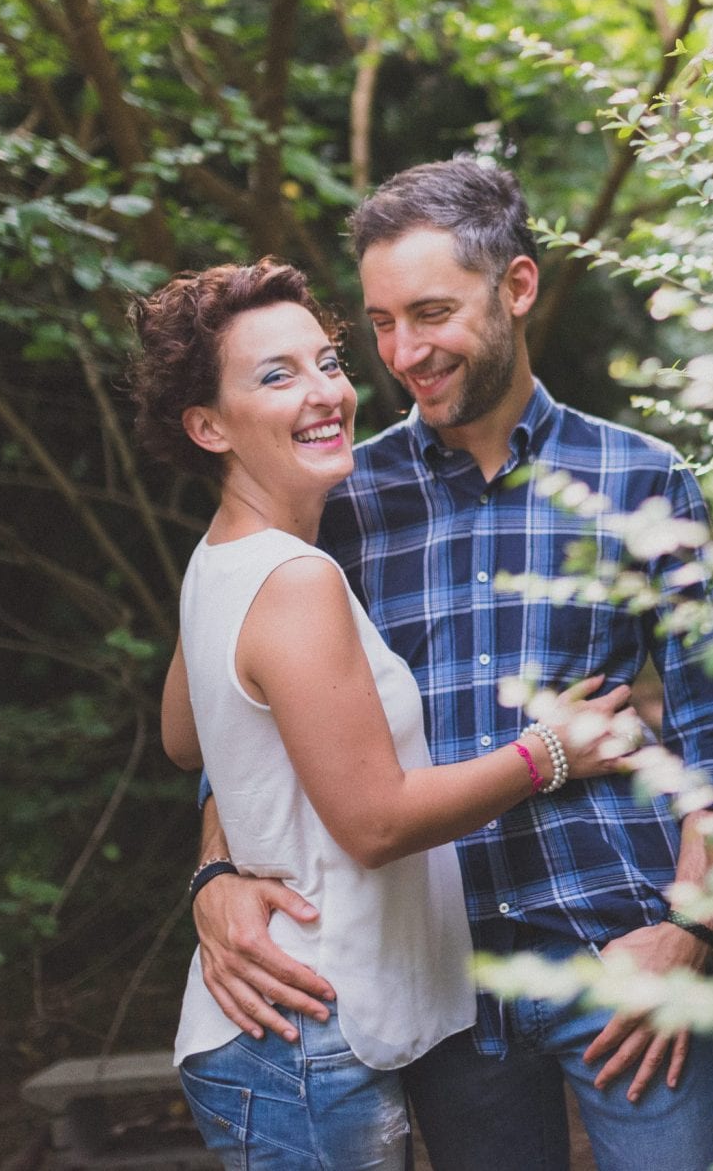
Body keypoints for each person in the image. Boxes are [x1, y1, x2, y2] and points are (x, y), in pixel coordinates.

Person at [190, 158, 713, 1170]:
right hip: (442, 983)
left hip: (618, 950)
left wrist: (690, 929)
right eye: (380, 323)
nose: (403, 351)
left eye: (431, 312)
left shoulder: (641, 478)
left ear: (518, 287)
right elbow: (251, 720)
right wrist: (215, 868)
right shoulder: (341, 499)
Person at [131, 259, 634, 1169]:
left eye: (327, 360)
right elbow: (374, 822)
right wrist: (551, 752)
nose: (325, 392)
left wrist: (224, 864)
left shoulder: (224, 559)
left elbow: (183, 736)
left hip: (288, 1029)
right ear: (206, 425)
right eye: (276, 376)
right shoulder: (295, 580)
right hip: (308, 1038)